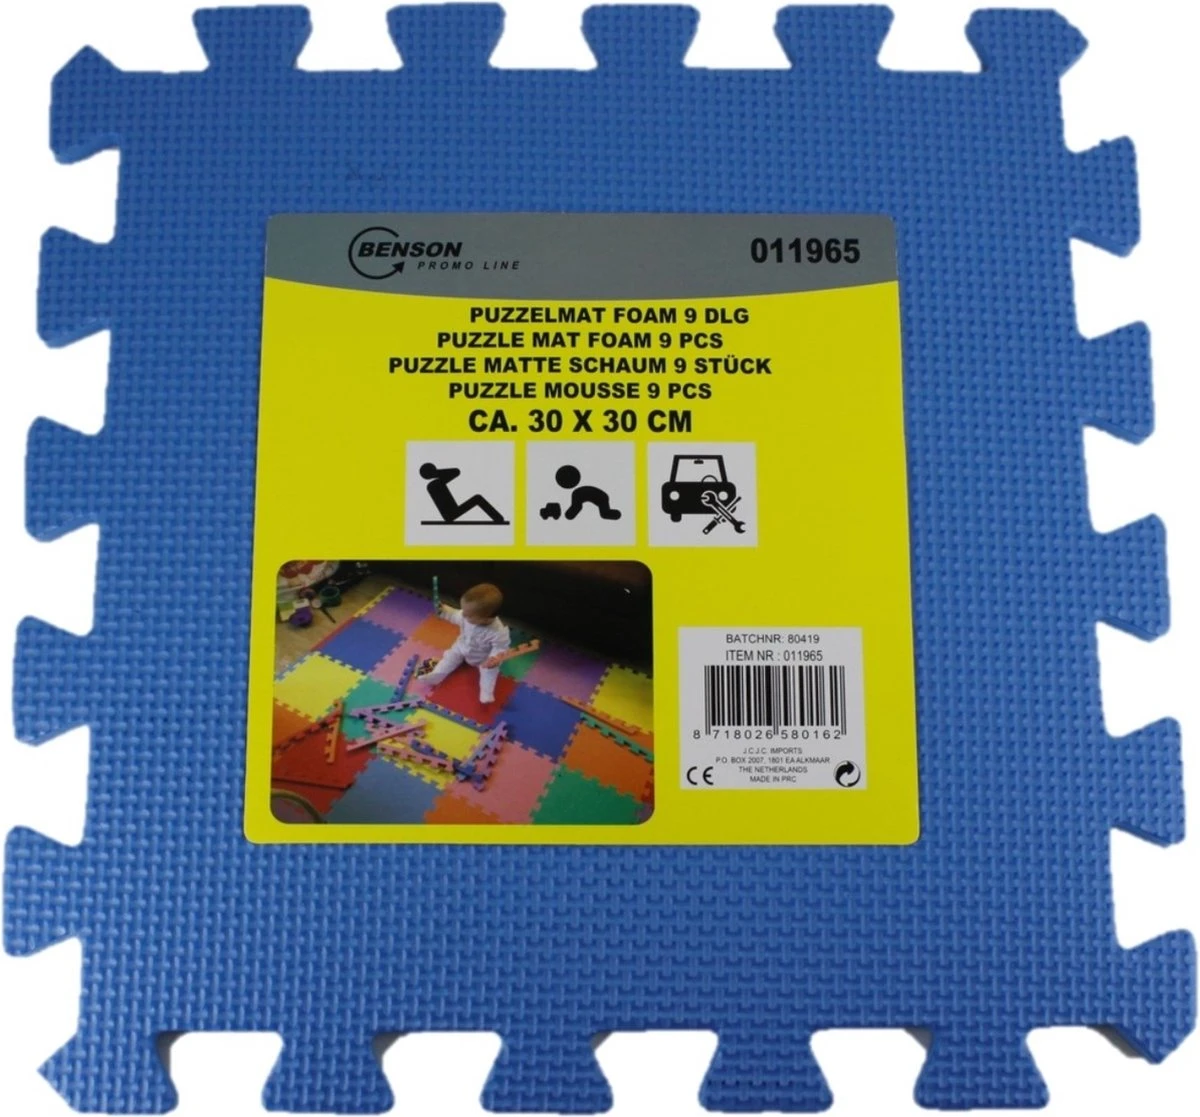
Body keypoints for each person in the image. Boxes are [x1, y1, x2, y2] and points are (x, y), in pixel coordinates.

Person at [417, 583, 510, 703]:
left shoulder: (499, 632)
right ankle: (436, 675)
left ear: (486, 618)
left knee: (490, 672)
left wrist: (494, 659)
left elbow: (501, 648)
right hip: (461, 647)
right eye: (464, 611)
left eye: (468, 615)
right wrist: (442, 611)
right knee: (449, 657)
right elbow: (453, 615)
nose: (463, 614)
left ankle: (487, 692)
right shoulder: (466, 616)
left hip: (483, 658)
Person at [419, 462, 507, 524]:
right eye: (434, 469)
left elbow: (456, 472)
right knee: (478, 498)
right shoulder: (435, 484)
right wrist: (436, 472)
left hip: (451, 513)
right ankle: (498, 519)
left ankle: (498, 519)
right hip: (451, 514)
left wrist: (435, 473)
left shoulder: (435, 483)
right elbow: (455, 471)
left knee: (477, 498)